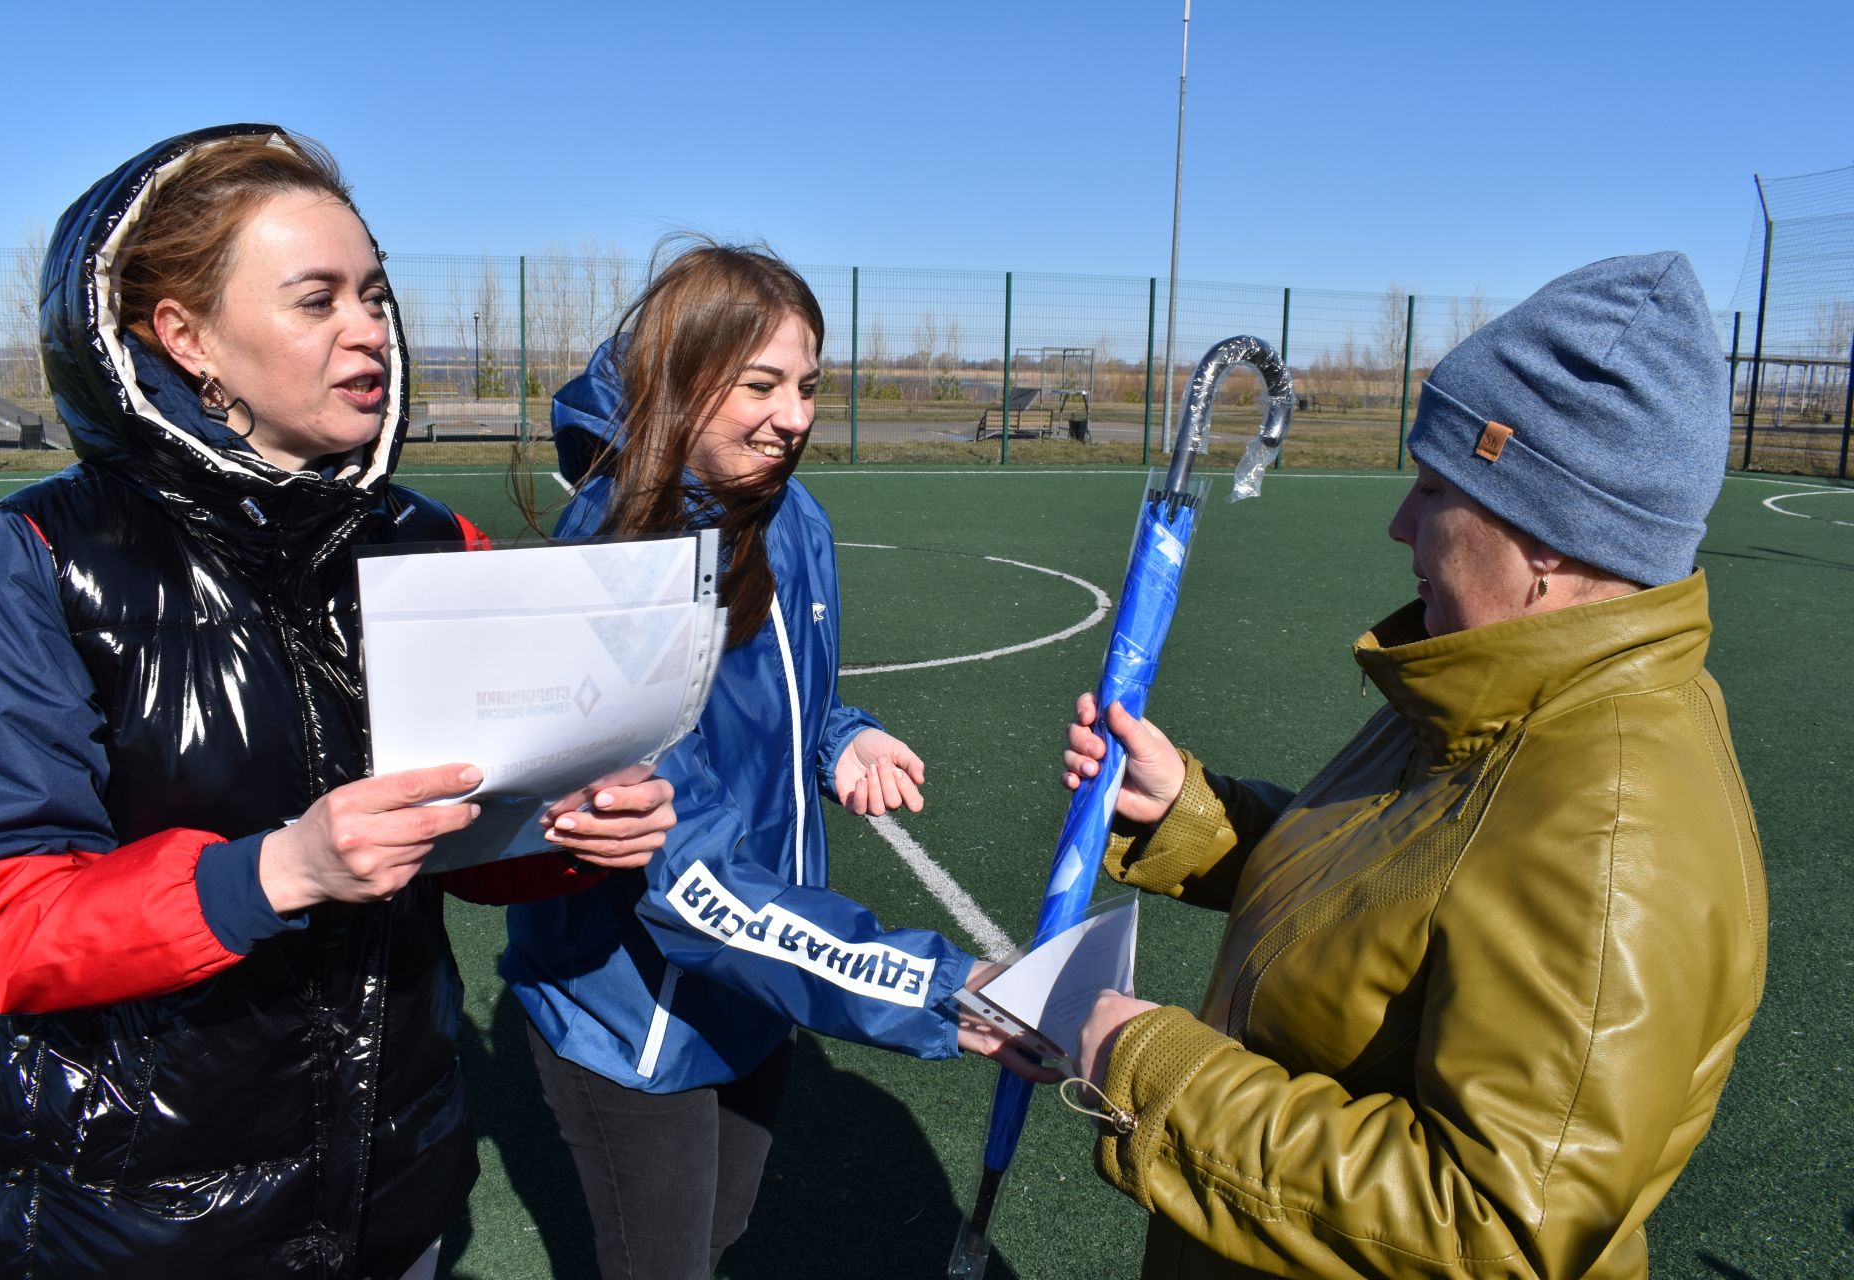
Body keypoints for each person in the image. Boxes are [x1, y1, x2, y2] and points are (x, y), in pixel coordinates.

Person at [0, 124, 674, 1280]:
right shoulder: (41, 552)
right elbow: (2, 918)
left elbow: (462, 837)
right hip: (153, 1223)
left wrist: (573, 834)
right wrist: (273, 871)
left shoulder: (431, 540)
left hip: (400, 1188)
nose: (369, 328)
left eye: (373, 294)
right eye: (315, 299)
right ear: (186, 338)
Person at [1060, 252, 1767, 1279]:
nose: (1401, 524)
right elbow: (1392, 892)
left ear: (1550, 539)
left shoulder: (1614, 830)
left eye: (1436, 488)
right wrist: (1192, 814)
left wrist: (1153, 1070)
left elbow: (1490, 1225)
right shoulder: (1481, 683)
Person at [505, 240, 1045, 1279]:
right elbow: (684, 875)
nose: (794, 416)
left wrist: (841, 735)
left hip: (759, 980)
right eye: (760, 384)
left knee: (722, 1234)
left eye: (806, 385)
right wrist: (943, 985)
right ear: (677, 379)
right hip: (638, 1013)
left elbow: (782, 700)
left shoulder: (793, 515)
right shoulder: (617, 563)